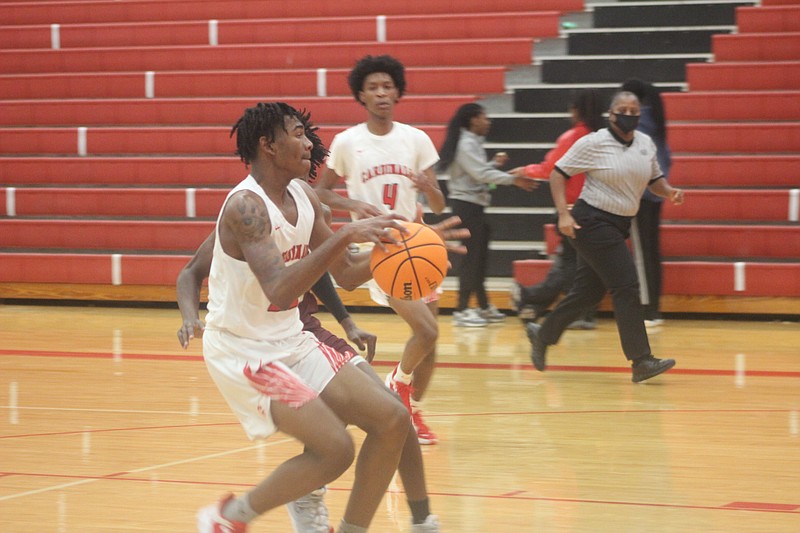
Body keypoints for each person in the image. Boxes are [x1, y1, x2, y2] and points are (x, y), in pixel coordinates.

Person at [179, 102, 462, 532]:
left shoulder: (304, 196)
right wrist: (347, 233)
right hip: (246, 352)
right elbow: (280, 287)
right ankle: (228, 518)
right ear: (267, 144)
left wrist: (415, 242)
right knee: (334, 449)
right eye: (297, 133)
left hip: (291, 338)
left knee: (393, 419)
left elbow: (346, 273)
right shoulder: (246, 208)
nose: (310, 143)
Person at [314, 55, 445, 445]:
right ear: (361, 94)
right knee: (426, 328)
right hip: (382, 253)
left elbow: (437, 204)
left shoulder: (417, 139)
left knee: (430, 342)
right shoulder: (347, 142)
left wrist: (430, 187)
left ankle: (411, 412)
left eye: (388, 86)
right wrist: (351, 206)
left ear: (398, 91)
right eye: (373, 87)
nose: (382, 92)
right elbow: (320, 190)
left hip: (417, 245)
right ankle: (396, 384)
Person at [524, 91, 685, 383]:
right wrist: (563, 214)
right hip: (591, 221)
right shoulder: (594, 142)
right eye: (622, 109)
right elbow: (558, 173)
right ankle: (641, 360)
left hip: (618, 224)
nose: (628, 113)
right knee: (626, 285)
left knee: (588, 292)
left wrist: (669, 191)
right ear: (611, 114)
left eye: (633, 109)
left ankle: (542, 334)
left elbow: (654, 181)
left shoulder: (645, 144)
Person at [509, 89, 605, 329]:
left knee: (573, 265)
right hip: (598, 209)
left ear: (576, 111)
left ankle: (531, 299)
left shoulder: (573, 136)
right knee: (581, 265)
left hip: (574, 209)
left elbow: (552, 167)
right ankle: (558, 309)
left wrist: (524, 171)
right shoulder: (603, 137)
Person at [437, 102, 538, 327]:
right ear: (473, 120)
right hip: (466, 207)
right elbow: (481, 174)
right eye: (484, 117)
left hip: (474, 206)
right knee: (471, 258)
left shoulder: (472, 142)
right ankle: (461, 310)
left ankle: (482, 305)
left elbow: (476, 173)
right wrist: (514, 180)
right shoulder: (466, 143)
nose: (488, 121)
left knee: (479, 258)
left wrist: (494, 164)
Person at [620, 78, 672, 328]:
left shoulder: (638, 124)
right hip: (656, 194)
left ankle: (648, 310)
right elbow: (667, 160)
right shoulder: (657, 122)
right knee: (652, 251)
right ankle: (654, 308)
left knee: (641, 253)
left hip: (640, 194)